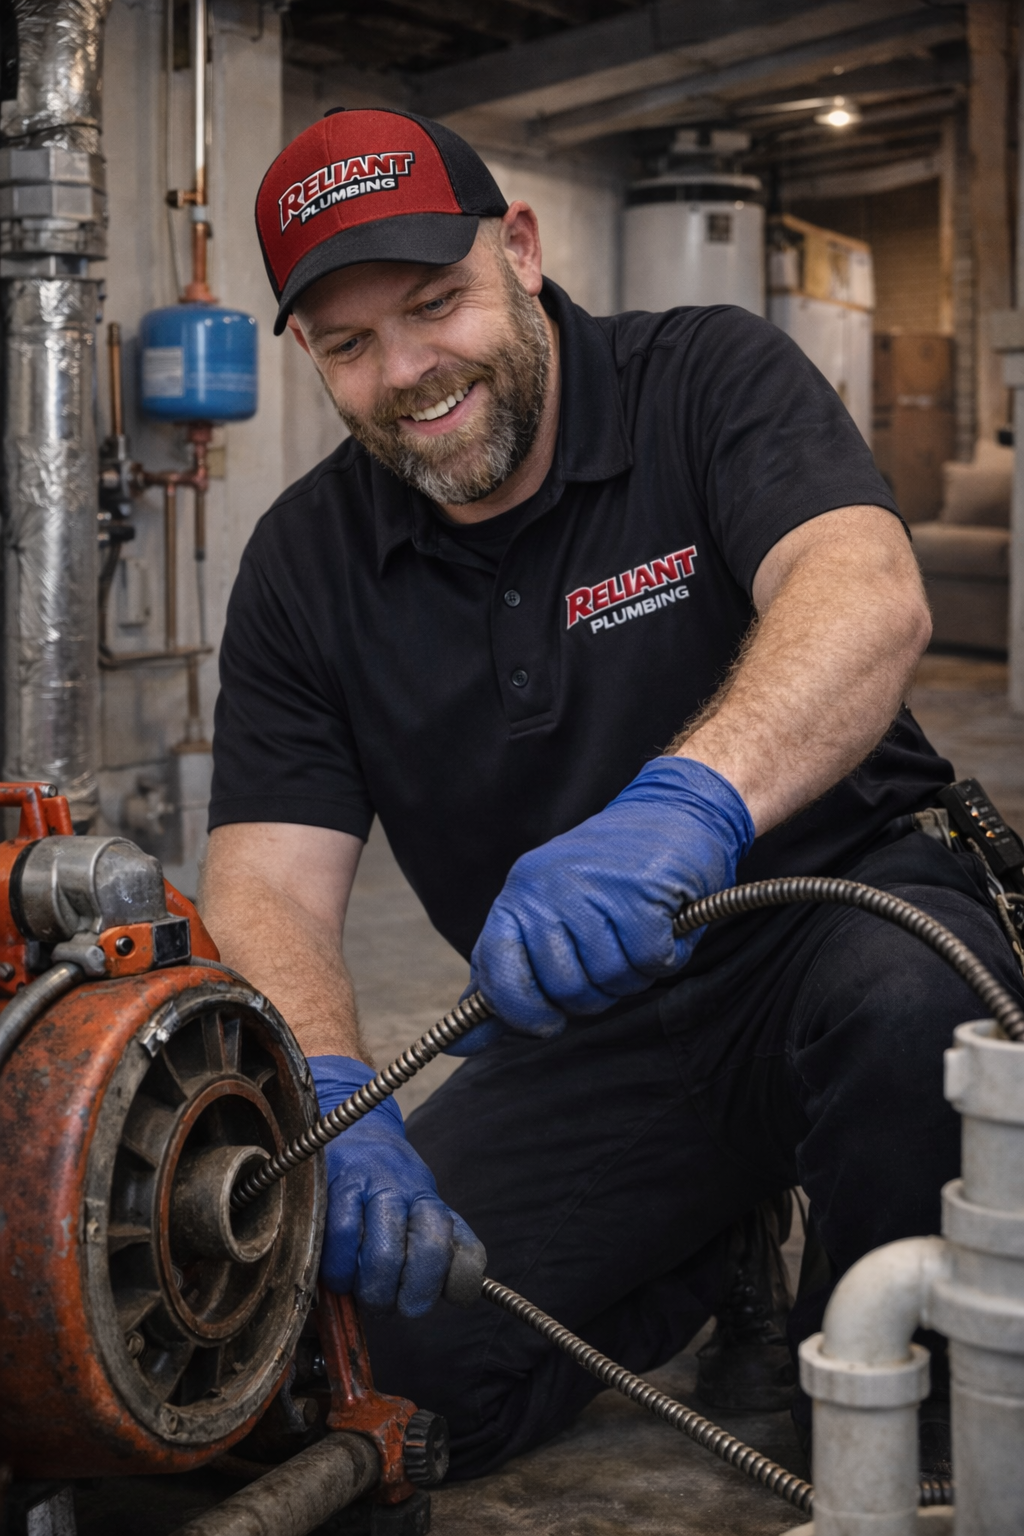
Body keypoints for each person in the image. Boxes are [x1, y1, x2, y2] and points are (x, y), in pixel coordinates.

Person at [200, 107, 1024, 1477]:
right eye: (350, 346)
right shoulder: (303, 567)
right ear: (304, 354)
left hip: (832, 925)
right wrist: (330, 1091)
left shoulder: (704, 377)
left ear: (518, 249)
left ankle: (892, 1417)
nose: (407, 371)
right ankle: (709, 1244)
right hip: (585, 1027)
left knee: (921, 1017)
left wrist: (687, 805)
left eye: (433, 303)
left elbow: (863, 593)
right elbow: (268, 875)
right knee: (366, 1371)